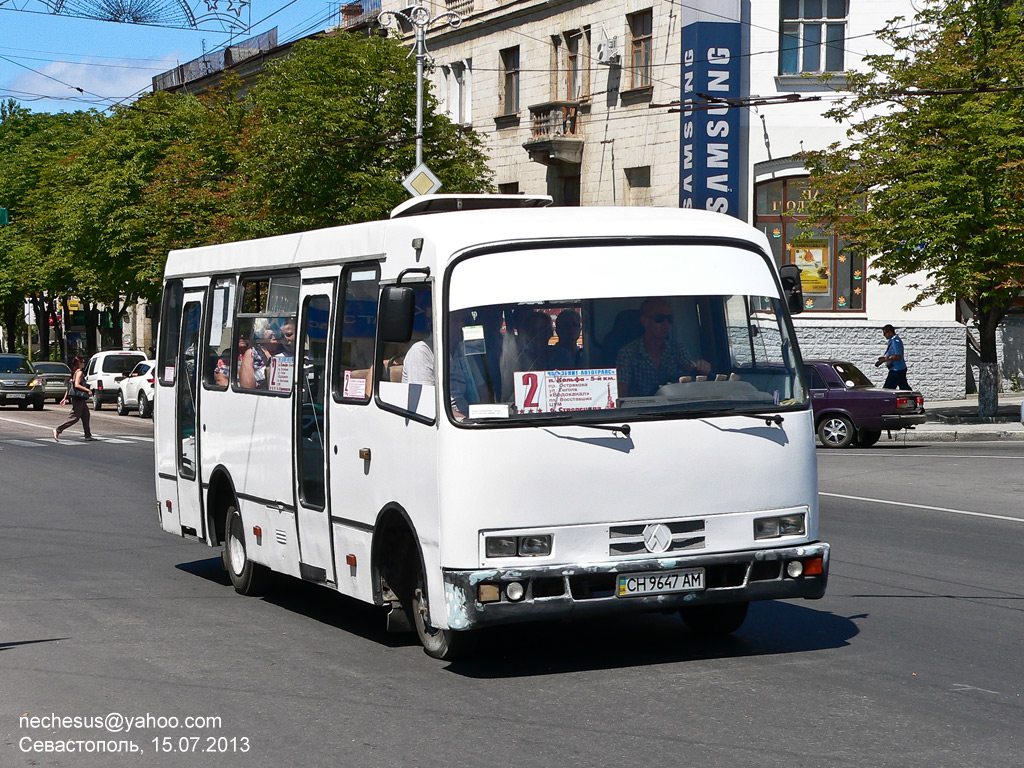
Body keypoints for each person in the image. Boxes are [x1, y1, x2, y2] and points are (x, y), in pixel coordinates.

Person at [615, 297, 711, 397]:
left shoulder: (677, 349)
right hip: (640, 410)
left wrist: (701, 368)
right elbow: (621, 396)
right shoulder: (627, 354)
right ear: (644, 321)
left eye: (669, 319)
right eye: (659, 318)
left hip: (673, 408)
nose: (666, 324)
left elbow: (691, 367)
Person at [53, 356, 95, 441]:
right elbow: (76, 385)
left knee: (86, 415)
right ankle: (58, 429)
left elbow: (70, 386)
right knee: (74, 417)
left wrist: (65, 398)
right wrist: (88, 390)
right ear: (78, 363)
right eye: (82, 362)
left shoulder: (75, 372)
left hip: (78, 398)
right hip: (78, 398)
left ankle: (88, 435)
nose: (84, 363)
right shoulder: (79, 372)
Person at [239, 319, 281, 389]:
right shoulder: (252, 353)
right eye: (270, 328)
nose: (274, 332)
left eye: (277, 328)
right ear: (261, 332)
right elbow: (247, 388)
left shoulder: (284, 350)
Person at [875, 324, 911, 390]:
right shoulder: (893, 341)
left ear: (890, 332)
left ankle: (913, 398)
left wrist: (884, 360)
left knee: (887, 389)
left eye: (885, 333)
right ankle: (912, 399)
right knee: (904, 388)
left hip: (897, 370)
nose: (884, 335)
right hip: (898, 369)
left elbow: (898, 356)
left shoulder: (895, 341)